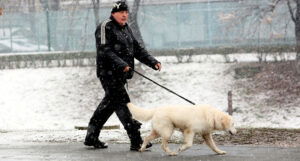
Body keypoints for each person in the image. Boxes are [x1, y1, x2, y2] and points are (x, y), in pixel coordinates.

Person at [84, 1, 161, 151]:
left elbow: (137, 49)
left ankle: (91, 137)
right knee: (123, 104)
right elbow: (105, 50)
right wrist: (122, 64)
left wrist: (153, 62)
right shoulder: (105, 26)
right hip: (108, 73)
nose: (125, 15)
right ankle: (136, 140)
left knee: (108, 106)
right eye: (121, 12)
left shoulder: (126, 28)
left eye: (126, 12)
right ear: (113, 13)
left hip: (121, 74)